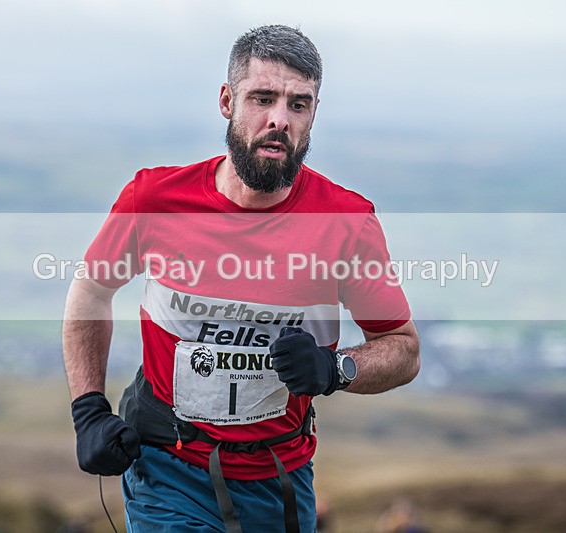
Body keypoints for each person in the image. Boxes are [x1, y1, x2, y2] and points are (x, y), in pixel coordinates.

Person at [63, 24, 420, 533]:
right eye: (263, 99)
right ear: (227, 101)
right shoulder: (154, 200)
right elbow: (91, 290)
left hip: (281, 480)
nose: (280, 119)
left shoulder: (346, 223)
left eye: (298, 104)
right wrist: (89, 409)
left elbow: (403, 349)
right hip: (168, 470)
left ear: (314, 113)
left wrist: (333, 368)